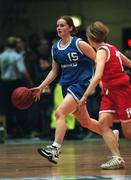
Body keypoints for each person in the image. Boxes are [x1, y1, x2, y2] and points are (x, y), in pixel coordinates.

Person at [31, 16, 117, 164]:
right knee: (86, 122)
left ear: (70, 28)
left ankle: (55, 149)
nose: (59, 28)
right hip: (66, 86)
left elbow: (99, 60)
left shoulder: (79, 43)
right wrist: (41, 86)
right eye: (57, 25)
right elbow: (54, 71)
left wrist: (101, 80)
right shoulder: (55, 47)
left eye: (62, 25)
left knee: (60, 112)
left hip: (81, 84)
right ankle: (111, 134)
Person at [80, 21, 131, 170]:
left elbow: (97, 76)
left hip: (122, 92)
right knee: (103, 124)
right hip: (109, 94)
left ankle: (117, 156)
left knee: (128, 132)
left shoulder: (102, 51)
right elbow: (128, 62)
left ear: (90, 38)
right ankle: (117, 158)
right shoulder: (112, 48)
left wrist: (85, 95)